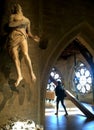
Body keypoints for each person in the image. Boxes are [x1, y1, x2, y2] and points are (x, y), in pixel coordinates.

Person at [6, 4, 40, 87]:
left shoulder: (27, 20)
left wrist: (33, 37)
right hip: (13, 37)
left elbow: (29, 33)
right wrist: (21, 22)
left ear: (21, 9)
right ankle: (19, 76)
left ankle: (31, 73)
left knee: (25, 54)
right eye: (16, 7)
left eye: (18, 7)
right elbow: (10, 25)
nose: (18, 8)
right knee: (15, 57)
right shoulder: (13, 16)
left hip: (22, 37)